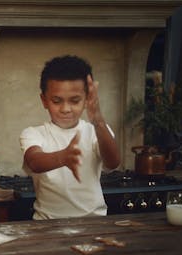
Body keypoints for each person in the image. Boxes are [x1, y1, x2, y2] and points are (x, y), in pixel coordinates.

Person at [20, 55, 120, 220]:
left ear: (87, 99)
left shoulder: (98, 130)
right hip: (47, 224)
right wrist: (63, 157)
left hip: (94, 222)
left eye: (74, 101)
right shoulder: (33, 133)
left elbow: (113, 162)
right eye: (57, 101)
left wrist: (98, 120)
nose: (66, 109)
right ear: (44, 100)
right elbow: (34, 162)